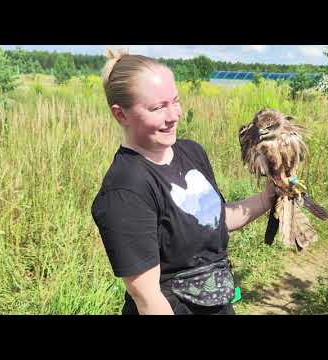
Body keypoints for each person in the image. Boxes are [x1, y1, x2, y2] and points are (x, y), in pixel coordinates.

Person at [91, 49, 277, 315]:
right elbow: (148, 299)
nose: (174, 115)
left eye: (175, 101)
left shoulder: (190, 152)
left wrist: (269, 196)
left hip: (218, 303)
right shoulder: (125, 190)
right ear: (120, 115)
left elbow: (213, 219)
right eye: (158, 108)